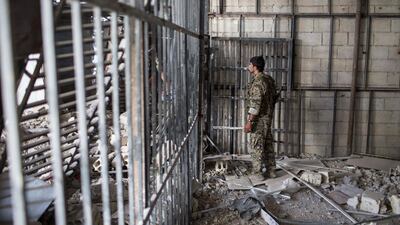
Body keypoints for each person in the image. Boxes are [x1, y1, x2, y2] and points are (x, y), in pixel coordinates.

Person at [244, 56, 278, 179]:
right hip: (268, 118)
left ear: (255, 67)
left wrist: (249, 121)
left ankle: (257, 173)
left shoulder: (258, 82)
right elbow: (274, 98)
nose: (248, 66)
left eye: (250, 64)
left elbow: (255, 104)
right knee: (268, 144)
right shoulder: (269, 80)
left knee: (256, 145)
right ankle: (272, 171)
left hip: (259, 120)